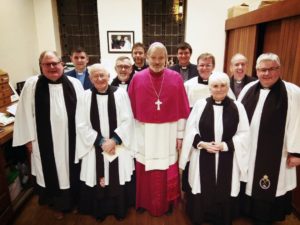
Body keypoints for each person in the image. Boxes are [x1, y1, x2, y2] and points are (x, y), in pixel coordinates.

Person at [12, 51, 84, 219]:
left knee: (71, 171)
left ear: (62, 64)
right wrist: (28, 140)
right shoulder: (32, 85)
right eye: (47, 64)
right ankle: (56, 205)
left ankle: (73, 202)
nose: (52, 67)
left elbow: (83, 113)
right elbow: (24, 114)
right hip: (44, 142)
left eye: (55, 63)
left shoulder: (74, 84)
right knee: (51, 173)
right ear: (41, 66)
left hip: (70, 141)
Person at [128, 42, 190, 216]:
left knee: (165, 169)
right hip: (144, 132)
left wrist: (179, 135)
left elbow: (181, 111)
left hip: (168, 133)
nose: (156, 61)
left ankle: (166, 204)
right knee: (144, 167)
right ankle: (143, 202)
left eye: (160, 57)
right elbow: (130, 112)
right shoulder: (137, 78)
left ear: (167, 59)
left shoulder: (176, 78)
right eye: (153, 57)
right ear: (147, 58)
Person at [179, 72, 250, 225]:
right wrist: (201, 144)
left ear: (228, 87)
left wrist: (226, 145)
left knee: (226, 185)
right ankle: (200, 216)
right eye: (215, 86)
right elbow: (190, 130)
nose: (219, 89)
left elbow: (244, 133)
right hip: (203, 154)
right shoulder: (200, 105)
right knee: (200, 185)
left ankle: (223, 218)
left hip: (228, 157)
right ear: (210, 88)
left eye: (223, 85)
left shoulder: (238, 107)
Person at [238, 53, 300, 225]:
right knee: (249, 181)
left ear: (279, 70)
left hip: (278, 154)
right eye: (262, 69)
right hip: (250, 151)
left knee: (272, 184)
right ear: (256, 71)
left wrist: (296, 152)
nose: (266, 73)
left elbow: (298, 123)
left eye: (271, 69)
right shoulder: (248, 89)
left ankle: (266, 216)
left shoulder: (293, 92)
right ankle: (247, 209)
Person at [76, 63, 135, 221]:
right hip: (95, 146)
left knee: (117, 175)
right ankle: (100, 211)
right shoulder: (85, 96)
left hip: (118, 146)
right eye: (95, 76)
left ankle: (119, 209)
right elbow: (81, 124)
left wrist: (114, 140)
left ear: (109, 76)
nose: (100, 78)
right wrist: (101, 141)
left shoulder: (120, 94)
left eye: (103, 75)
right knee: (97, 175)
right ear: (90, 78)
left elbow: (128, 120)